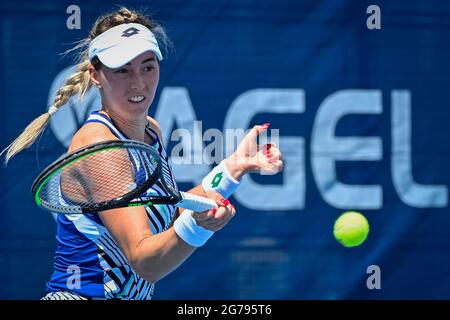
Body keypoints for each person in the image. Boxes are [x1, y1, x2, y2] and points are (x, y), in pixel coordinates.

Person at [1, 7, 283, 300]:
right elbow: (145, 261)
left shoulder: (151, 131)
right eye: (123, 70)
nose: (138, 83)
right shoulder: (100, 148)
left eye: (147, 67)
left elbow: (165, 210)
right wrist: (198, 227)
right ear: (96, 75)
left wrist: (233, 168)